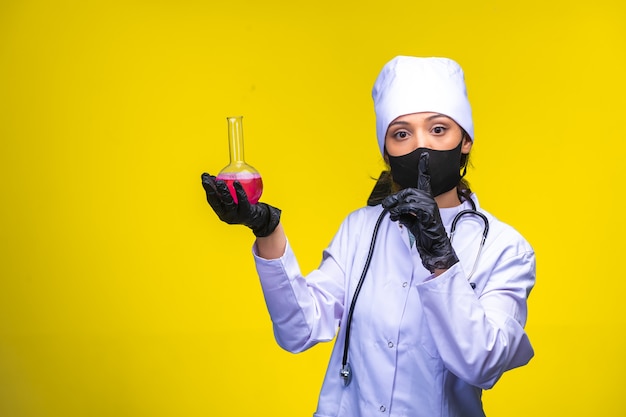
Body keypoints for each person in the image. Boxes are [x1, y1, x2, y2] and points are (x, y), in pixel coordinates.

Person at [201, 56, 536, 417]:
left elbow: (484, 364)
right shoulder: (361, 228)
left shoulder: (504, 248)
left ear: (465, 140)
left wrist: (441, 257)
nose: (420, 146)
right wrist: (268, 231)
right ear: (387, 152)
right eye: (402, 133)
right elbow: (298, 331)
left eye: (438, 129)